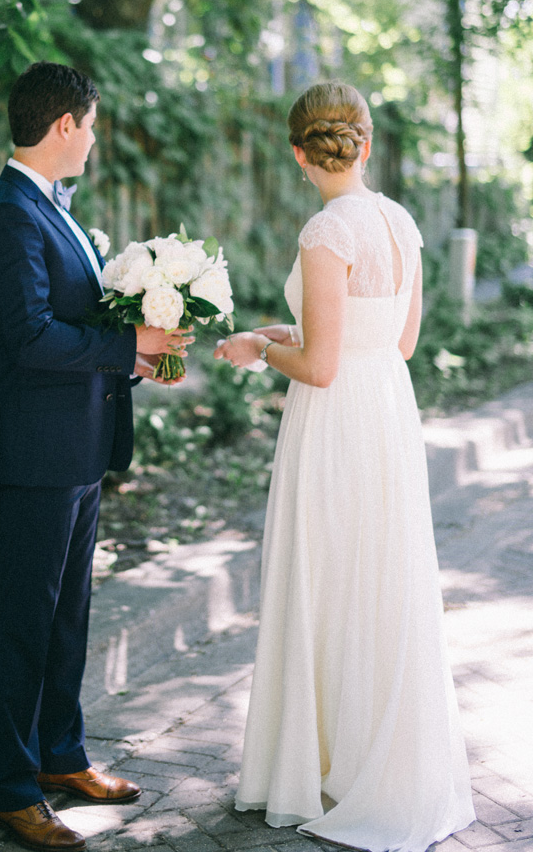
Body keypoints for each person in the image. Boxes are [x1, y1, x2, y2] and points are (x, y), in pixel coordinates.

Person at [214, 81, 475, 852]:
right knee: (379, 580)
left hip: (332, 425)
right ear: (364, 142)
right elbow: (395, 344)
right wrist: (285, 331)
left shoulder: (326, 233)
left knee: (325, 578)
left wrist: (257, 349)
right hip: (387, 417)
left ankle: (322, 762)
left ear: (299, 153)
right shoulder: (399, 223)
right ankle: (369, 753)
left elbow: (320, 367)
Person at [0, 62, 190, 852]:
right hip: (30, 454)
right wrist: (130, 341)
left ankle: (61, 756)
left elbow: (74, 326)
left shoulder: (52, 211)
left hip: (78, 449)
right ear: (64, 125)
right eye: (90, 127)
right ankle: (12, 790)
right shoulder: (9, 218)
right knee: (24, 621)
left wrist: (138, 348)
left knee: (67, 616)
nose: (94, 141)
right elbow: (29, 340)